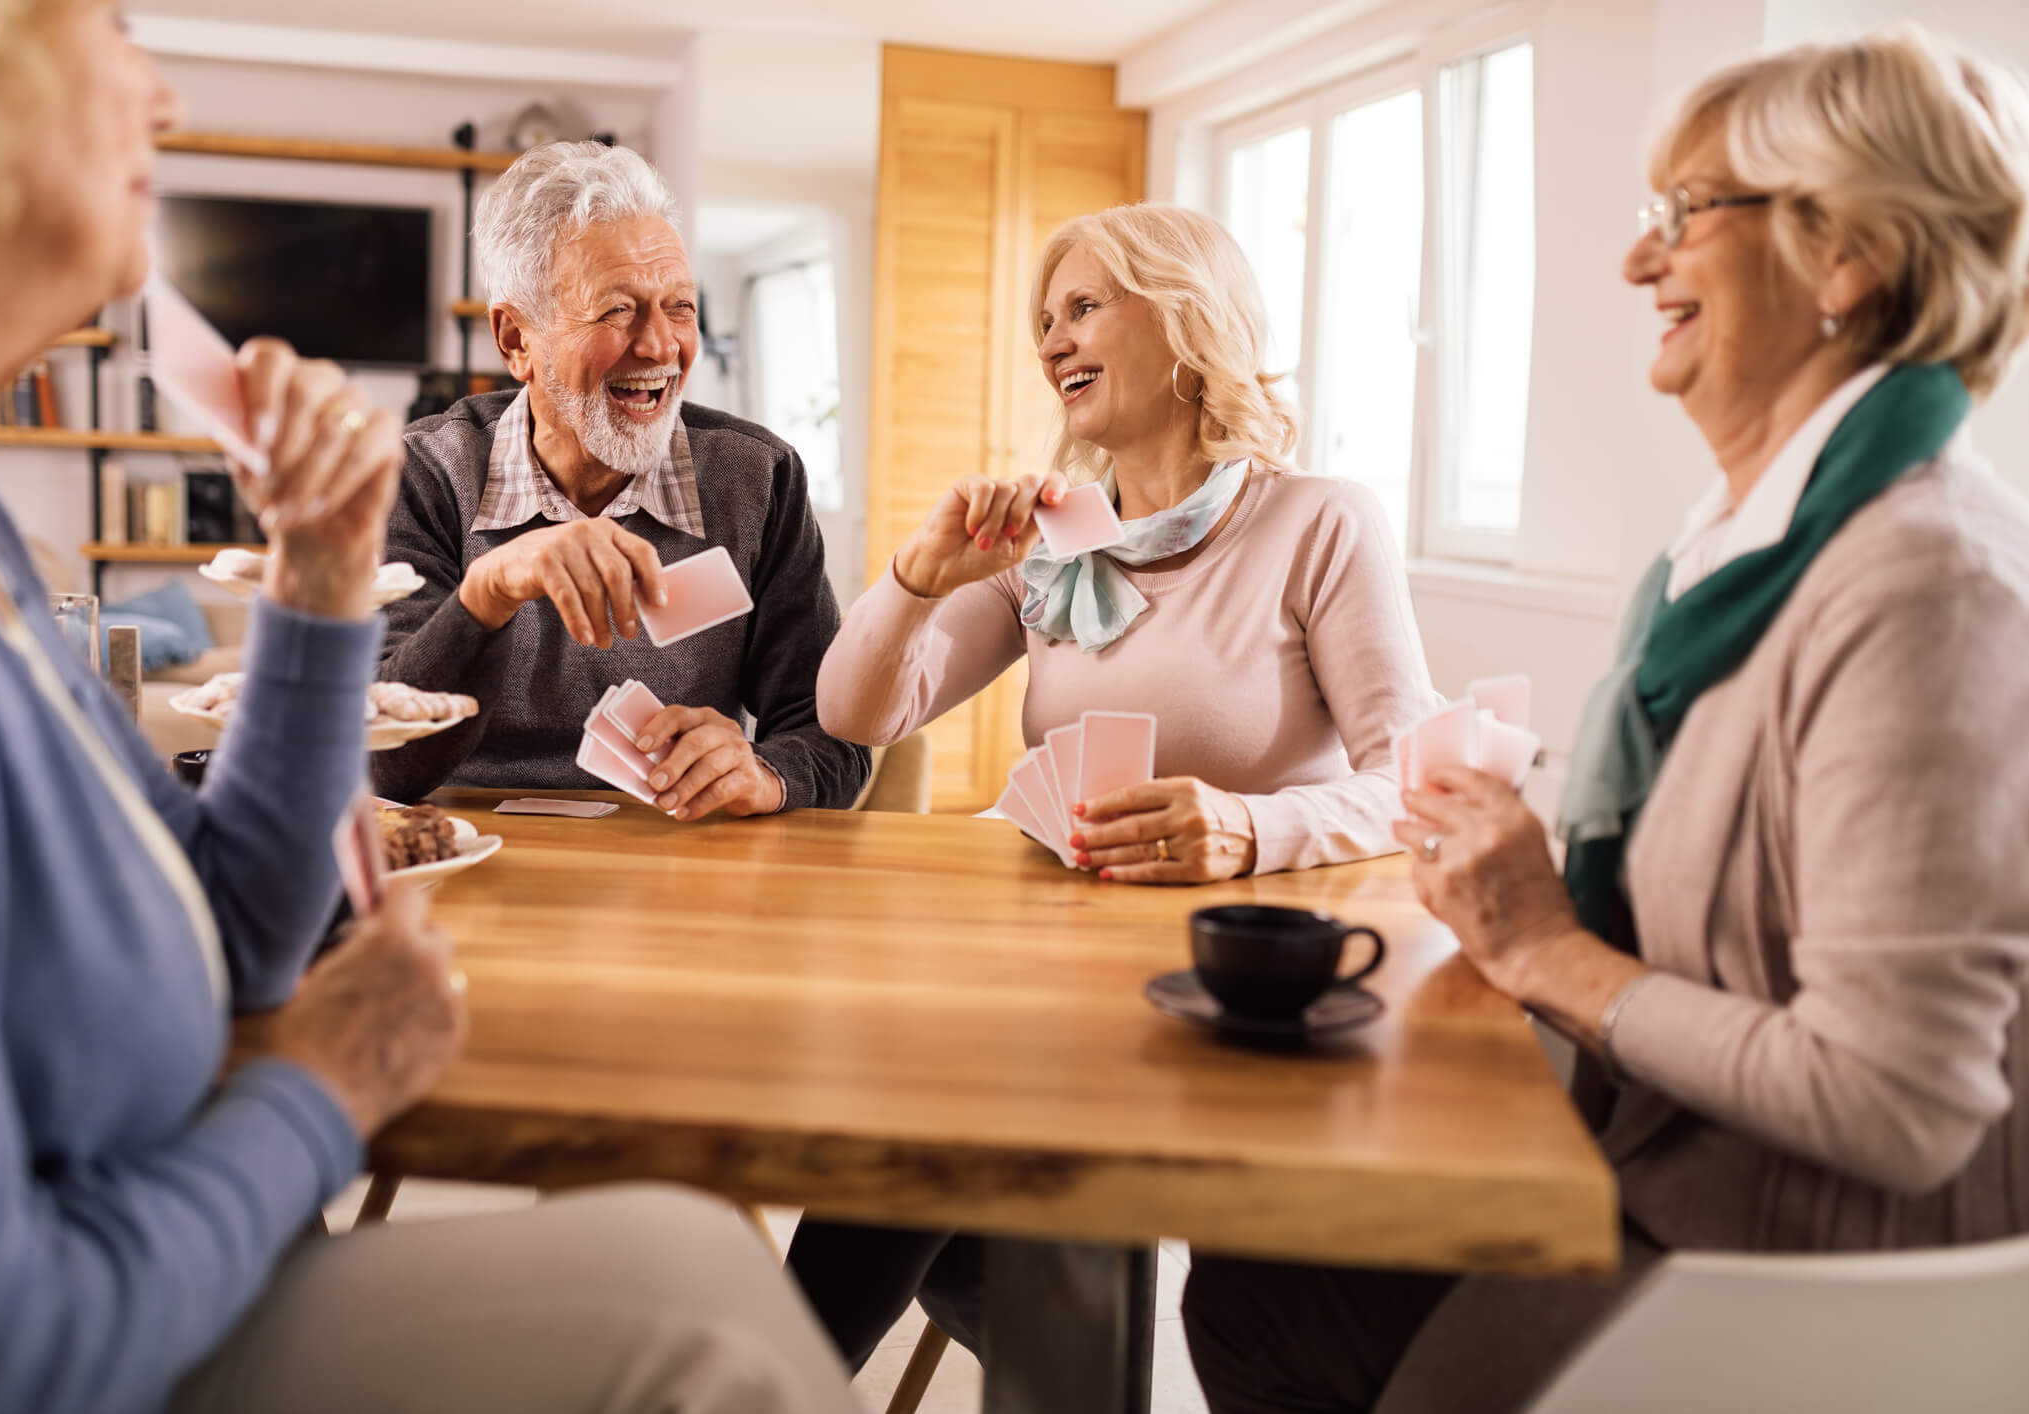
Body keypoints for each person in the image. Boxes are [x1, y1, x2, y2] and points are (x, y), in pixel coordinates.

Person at [0, 6, 860, 1412]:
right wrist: (319, 1089)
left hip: (609, 960)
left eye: (681, 308)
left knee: (695, 1243)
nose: (163, 99)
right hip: (140, 1286)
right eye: (102, 30)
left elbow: (227, 903)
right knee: (696, 1289)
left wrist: (314, 578)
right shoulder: (431, 465)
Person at [1181, 25, 2029, 1413]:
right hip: (1675, 1181)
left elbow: (1900, 1103)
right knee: (1257, 1276)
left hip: (1808, 1277)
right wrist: (1523, 880)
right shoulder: (1740, 562)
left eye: (1689, 214)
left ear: (1845, 252)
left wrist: (1545, 945)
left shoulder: (1925, 584)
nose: (1640, 260)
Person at [792, 204, 1436, 1371]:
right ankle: (818, 1374)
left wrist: (1245, 827)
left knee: (933, 1139)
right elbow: (855, 711)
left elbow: (1415, 783)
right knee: (903, 1119)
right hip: (1047, 981)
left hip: (1229, 986)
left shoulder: (1318, 523)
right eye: (1045, 320)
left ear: (1187, 321)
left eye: (1085, 306)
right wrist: (917, 577)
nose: (1053, 340)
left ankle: (1041, 1343)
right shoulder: (1055, 539)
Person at [374, 141, 868, 817]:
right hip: (468, 864)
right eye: (616, 311)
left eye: (679, 307)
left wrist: (766, 771)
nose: (661, 346)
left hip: (675, 863)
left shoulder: (759, 477)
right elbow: (382, 763)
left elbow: (834, 734)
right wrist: (484, 595)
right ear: (516, 339)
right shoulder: (425, 475)